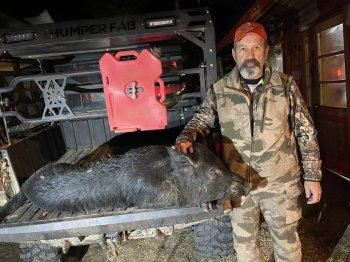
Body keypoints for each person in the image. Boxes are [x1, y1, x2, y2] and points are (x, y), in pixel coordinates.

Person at [175, 22, 322, 262]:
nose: (250, 55)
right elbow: (201, 120)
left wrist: (313, 177)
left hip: (280, 183)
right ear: (234, 53)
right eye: (243, 48)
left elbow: (305, 132)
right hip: (238, 184)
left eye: (255, 48)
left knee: (287, 243)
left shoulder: (285, 86)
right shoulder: (220, 89)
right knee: (244, 245)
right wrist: (185, 137)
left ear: (265, 51)